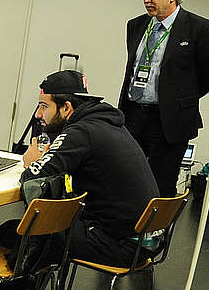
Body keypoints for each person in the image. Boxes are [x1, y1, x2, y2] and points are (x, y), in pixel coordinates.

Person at [20, 70, 158, 266]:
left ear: (66, 108)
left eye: (44, 106)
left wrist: (33, 162)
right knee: (42, 233)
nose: (38, 114)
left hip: (122, 245)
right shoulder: (107, 123)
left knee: (21, 233)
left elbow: (31, 177)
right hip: (145, 239)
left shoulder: (81, 131)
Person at [119, 0, 209, 196]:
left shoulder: (199, 28)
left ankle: (156, 230)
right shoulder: (135, 25)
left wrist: (177, 99)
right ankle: (127, 227)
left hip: (169, 119)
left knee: (161, 182)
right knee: (125, 176)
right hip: (133, 114)